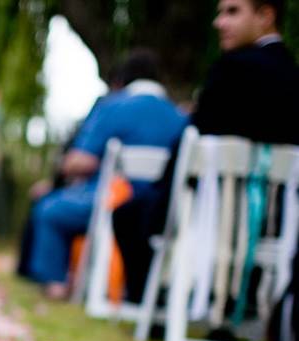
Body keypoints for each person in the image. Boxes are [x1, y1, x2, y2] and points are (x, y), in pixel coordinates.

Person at [113, 0, 299, 303]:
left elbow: (196, 135)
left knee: (130, 212)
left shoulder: (232, 68)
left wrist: (164, 194)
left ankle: (153, 303)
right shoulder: (293, 75)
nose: (218, 22)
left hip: (208, 211)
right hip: (278, 218)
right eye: (218, 12)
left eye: (232, 11)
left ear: (266, 16)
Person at [25, 49, 187, 300]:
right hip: (163, 208)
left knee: (50, 211)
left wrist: (67, 165)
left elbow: (81, 161)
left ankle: (56, 285)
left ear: (123, 79)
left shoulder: (113, 106)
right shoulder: (179, 116)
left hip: (112, 201)